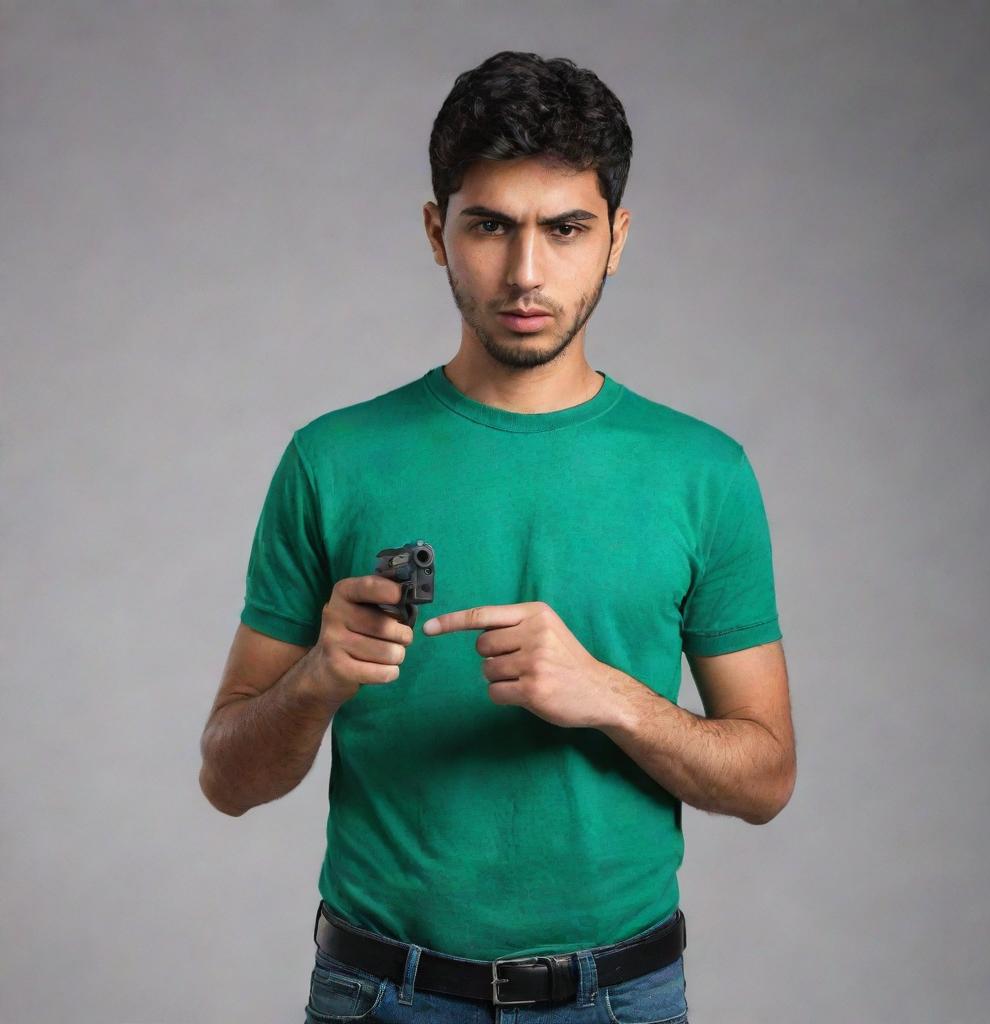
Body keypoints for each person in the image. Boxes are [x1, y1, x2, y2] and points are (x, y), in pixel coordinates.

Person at [199, 49, 795, 1023]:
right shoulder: (332, 459)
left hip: (620, 996)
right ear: (438, 231)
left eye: (565, 229)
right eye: (489, 226)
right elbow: (226, 778)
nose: (525, 271)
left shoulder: (704, 472)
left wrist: (610, 697)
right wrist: (319, 678)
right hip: (381, 993)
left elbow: (765, 777)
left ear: (616, 238)